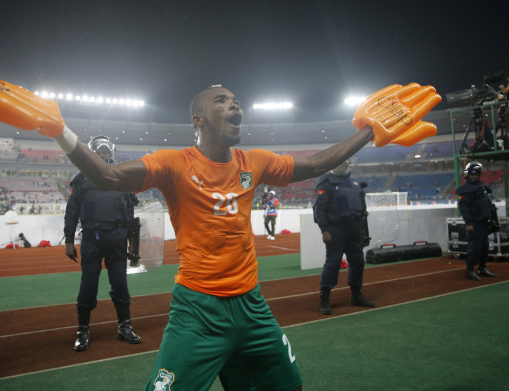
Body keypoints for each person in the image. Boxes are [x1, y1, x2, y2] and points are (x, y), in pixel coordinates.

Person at [58, 85, 381, 391]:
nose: (234, 103)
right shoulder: (174, 163)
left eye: (235, 100)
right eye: (222, 100)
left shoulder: (255, 161)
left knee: (288, 385)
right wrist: (58, 131)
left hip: (252, 306)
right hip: (198, 309)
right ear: (198, 120)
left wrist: (369, 129)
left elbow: (315, 164)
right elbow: (108, 175)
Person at [63, 135, 141, 352]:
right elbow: (72, 212)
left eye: (106, 151)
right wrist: (69, 240)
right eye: (100, 151)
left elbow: (131, 216)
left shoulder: (122, 177)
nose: (103, 154)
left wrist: (133, 247)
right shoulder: (81, 179)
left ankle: (124, 326)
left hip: (117, 239)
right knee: (88, 286)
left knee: (121, 286)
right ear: (92, 153)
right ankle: (83, 330)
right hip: (92, 239)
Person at [313, 160, 374, 316]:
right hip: (335, 228)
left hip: (354, 228)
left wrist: (363, 231)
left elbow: (363, 210)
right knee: (333, 263)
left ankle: (356, 294)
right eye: (338, 162)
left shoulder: (354, 183)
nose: (341, 165)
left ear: (348, 164)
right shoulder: (326, 183)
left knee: (358, 261)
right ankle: (324, 297)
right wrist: (324, 230)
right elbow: (320, 208)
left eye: (343, 162)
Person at [455, 161, 498, 281]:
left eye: (476, 174)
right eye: (472, 174)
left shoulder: (482, 187)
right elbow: (463, 208)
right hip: (474, 223)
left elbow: (488, 204)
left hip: (484, 223)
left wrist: (492, 219)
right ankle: (469, 270)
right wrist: (468, 223)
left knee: (484, 247)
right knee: (474, 247)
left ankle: (482, 268)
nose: (474, 176)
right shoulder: (467, 189)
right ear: (468, 174)